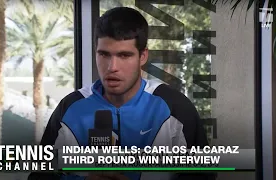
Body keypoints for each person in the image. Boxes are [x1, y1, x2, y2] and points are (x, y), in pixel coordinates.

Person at [28, 7, 216, 180]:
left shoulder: (175, 108)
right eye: (104, 54)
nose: (112, 67)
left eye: (124, 55)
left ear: (142, 56)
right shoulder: (69, 109)